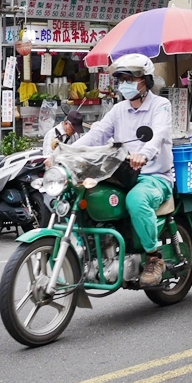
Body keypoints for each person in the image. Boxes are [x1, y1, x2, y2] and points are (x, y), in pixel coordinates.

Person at [72, 53, 173, 288]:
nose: (125, 84)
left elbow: (158, 135)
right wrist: (65, 153)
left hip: (153, 176)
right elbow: (96, 135)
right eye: (121, 79)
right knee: (81, 194)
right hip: (121, 176)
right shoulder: (118, 110)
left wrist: (143, 154)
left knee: (137, 201)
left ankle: (154, 257)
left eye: (130, 79)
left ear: (145, 81)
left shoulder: (161, 105)